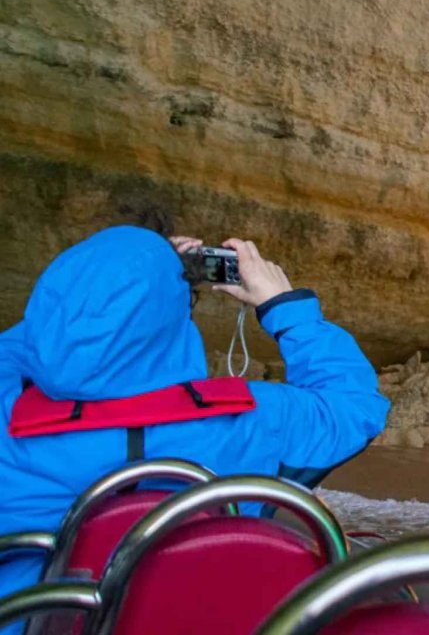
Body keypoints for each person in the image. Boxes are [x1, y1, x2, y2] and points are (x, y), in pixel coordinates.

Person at [0, 224, 390, 618]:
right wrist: (283, 305)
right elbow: (354, 406)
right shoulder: (250, 421)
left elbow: (25, 346)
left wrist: (108, 285)